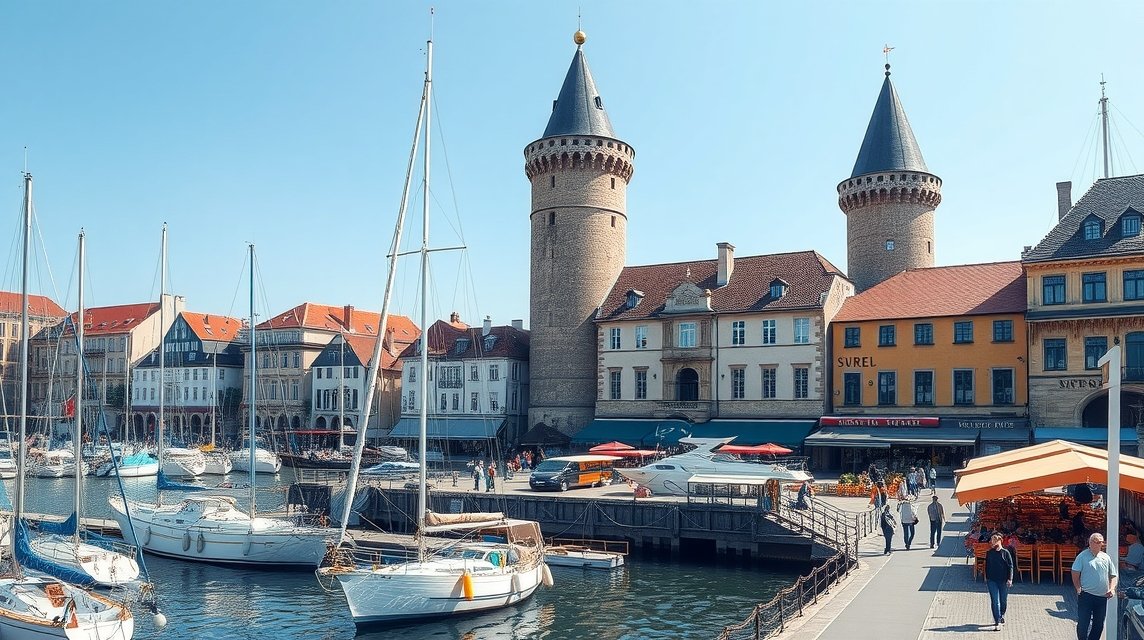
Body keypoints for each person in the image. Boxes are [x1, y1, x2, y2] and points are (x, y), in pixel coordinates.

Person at [1073, 532, 1118, 640]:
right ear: (1090, 543)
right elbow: (1075, 572)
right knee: (1083, 623)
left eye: (1101, 542)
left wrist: (1112, 588)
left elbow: (1113, 575)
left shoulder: (1105, 557)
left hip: (1102, 596)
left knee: (1098, 625)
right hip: (1086, 595)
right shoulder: (1082, 556)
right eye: (1097, 542)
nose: (1099, 544)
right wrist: (1078, 588)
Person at [984, 532, 1014, 632]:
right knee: (995, 601)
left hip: (1003, 580)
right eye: (992, 540)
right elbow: (987, 565)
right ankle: (997, 621)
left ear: (1000, 540)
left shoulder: (1006, 553)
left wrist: (1010, 579)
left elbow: (1010, 566)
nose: (992, 542)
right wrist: (987, 577)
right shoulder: (989, 553)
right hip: (992, 580)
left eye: (994, 540)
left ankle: (1001, 615)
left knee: (1003, 601)